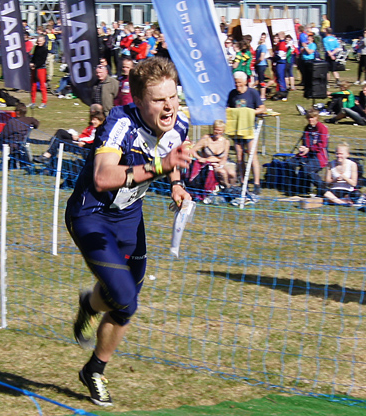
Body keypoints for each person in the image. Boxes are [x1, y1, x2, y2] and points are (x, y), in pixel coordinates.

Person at [66, 57, 192, 407]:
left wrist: (177, 184)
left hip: (130, 219)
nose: (169, 107)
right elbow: (103, 178)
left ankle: (93, 368)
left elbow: (173, 153)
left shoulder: (179, 121)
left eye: (173, 97)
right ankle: (91, 311)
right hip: (92, 215)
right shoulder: (120, 122)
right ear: (138, 101)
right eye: (158, 100)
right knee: (125, 296)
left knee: (124, 305)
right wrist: (160, 167)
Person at [226, 71, 266, 194]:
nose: (237, 85)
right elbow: (228, 108)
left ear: (245, 82)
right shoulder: (232, 94)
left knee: (252, 154)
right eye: (236, 83)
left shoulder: (252, 93)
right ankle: (243, 182)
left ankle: (257, 183)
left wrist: (251, 112)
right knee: (239, 156)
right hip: (237, 128)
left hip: (249, 128)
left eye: (239, 83)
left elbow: (262, 108)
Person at [33, 104, 105, 164]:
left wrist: (79, 139)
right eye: (92, 119)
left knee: (59, 141)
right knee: (60, 132)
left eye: (95, 120)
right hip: (79, 140)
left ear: (100, 120)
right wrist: (77, 136)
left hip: (83, 145)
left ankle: (48, 157)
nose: (93, 121)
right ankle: (48, 156)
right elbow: (87, 135)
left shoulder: (99, 129)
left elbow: (92, 139)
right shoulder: (91, 126)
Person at [283, 108, 328, 196]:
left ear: (317, 117)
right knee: (289, 163)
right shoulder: (307, 128)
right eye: (308, 118)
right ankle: (294, 185)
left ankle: (323, 189)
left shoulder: (322, 128)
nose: (310, 120)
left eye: (312, 118)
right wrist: (303, 148)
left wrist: (309, 149)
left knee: (307, 168)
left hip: (318, 156)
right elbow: (305, 142)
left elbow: (322, 145)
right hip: (306, 155)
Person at [189, 119, 236, 189]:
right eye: (215, 130)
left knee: (232, 173)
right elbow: (192, 150)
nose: (217, 132)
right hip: (208, 164)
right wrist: (200, 158)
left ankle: (234, 188)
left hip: (220, 163)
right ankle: (227, 189)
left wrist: (220, 164)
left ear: (223, 131)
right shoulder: (206, 139)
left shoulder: (226, 142)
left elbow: (224, 158)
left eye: (219, 130)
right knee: (222, 173)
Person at [29, 35, 48, 109]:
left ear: (44, 41)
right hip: (34, 68)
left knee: (42, 86)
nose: (39, 42)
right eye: (38, 41)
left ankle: (44, 102)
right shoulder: (36, 48)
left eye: (40, 41)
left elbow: (42, 60)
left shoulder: (45, 49)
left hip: (41, 69)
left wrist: (35, 65)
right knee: (33, 85)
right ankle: (32, 101)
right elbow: (33, 57)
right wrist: (31, 63)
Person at [255, 33, 268, 100]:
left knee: (262, 80)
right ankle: (260, 94)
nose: (262, 38)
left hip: (261, 64)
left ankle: (263, 95)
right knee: (259, 80)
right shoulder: (259, 46)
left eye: (263, 37)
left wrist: (256, 63)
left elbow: (261, 58)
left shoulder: (263, 46)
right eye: (261, 37)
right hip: (258, 65)